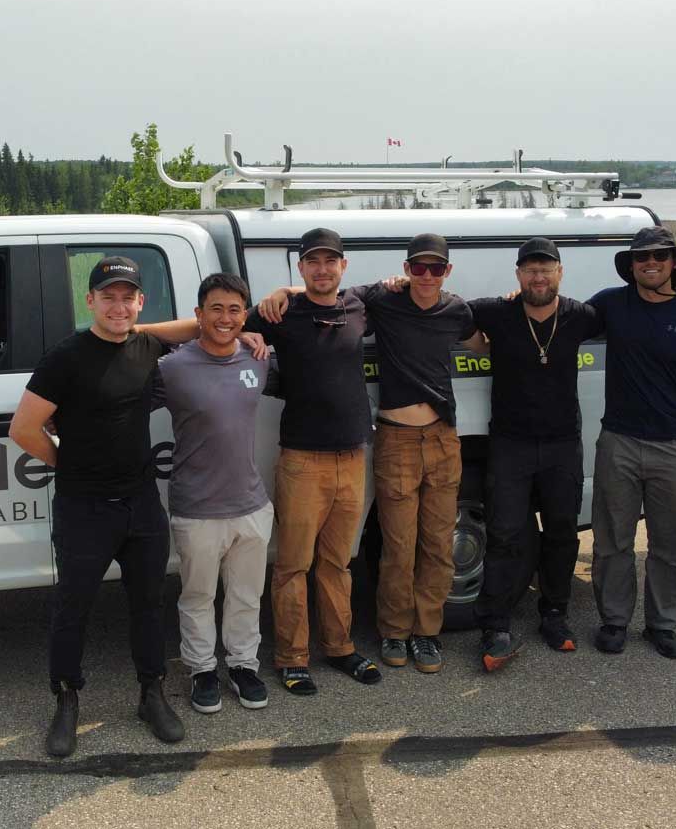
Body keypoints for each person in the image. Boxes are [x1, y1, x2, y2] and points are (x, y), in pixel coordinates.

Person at [259, 233, 483, 675]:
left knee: (437, 546)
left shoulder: (456, 309)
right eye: (417, 267)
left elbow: (485, 341)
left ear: (447, 272)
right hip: (394, 437)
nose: (425, 275)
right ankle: (394, 632)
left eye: (435, 268)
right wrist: (282, 290)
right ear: (405, 268)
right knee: (397, 546)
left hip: (443, 437)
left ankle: (426, 635)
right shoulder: (381, 300)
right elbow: (317, 298)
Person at [9, 255, 185, 758]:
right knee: (73, 608)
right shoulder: (65, 357)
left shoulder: (146, 343)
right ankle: (66, 699)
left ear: (141, 302)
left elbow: (209, 322)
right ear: (89, 301)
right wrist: (69, 464)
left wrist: (262, 317)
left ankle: (151, 694)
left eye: (127, 296)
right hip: (84, 507)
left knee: (148, 604)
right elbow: (22, 430)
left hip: (141, 504)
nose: (118, 304)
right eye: (107, 296)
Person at [241, 227, 383, 695]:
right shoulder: (281, 313)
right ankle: (292, 656)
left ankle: (339, 647)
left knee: (338, 563)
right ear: (300, 267)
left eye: (331, 261)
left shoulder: (359, 304)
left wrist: (406, 281)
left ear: (343, 267)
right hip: (303, 459)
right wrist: (250, 336)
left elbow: (403, 288)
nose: (322, 269)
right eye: (312, 262)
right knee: (293, 565)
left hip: (353, 456)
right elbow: (223, 326)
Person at [587, 226, 676, 659]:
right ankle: (613, 621)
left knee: (669, 546)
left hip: (674, 448)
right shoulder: (610, 304)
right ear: (631, 266)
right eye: (641, 258)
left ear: (673, 264)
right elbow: (558, 317)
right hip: (619, 443)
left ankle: (662, 625)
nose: (650, 263)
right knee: (612, 540)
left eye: (660, 257)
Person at [467, 237, 604, 670]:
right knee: (505, 534)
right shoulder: (497, 312)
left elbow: (634, 308)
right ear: (518, 275)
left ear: (560, 273)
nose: (538, 277)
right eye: (530, 270)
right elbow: (446, 309)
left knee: (563, 532)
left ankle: (555, 614)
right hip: (511, 444)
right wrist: (480, 346)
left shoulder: (581, 315)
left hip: (563, 443)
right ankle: (495, 623)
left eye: (546, 269)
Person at [155, 273, 274, 714]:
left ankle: (243, 666)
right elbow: (117, 401)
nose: (225, 318)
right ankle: (202, 671)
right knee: (198, 595)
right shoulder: (172, 368)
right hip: (197, 508)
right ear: (198, 314)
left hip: (251, 504)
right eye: (216, 309)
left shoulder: (258, 358)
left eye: (235, 310)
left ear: (246, 315)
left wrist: (250, 334)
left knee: (246, 595)